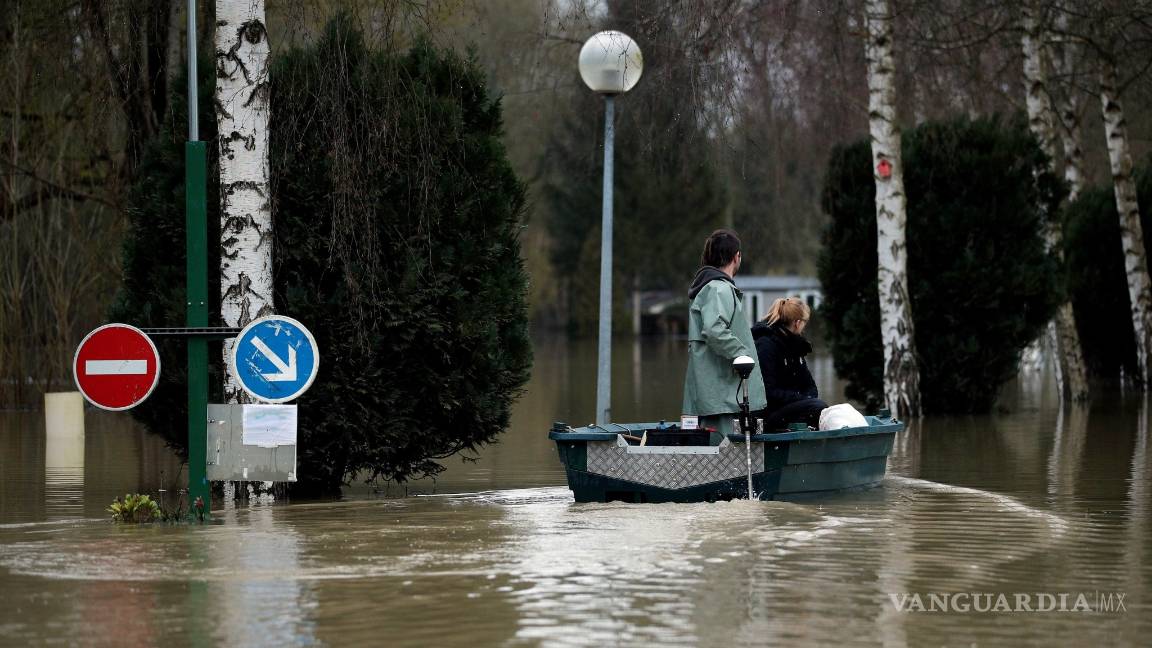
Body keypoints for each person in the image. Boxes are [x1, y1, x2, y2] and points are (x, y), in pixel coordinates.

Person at [682, 229, 766, 436]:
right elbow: (714, 329)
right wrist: (742, 355)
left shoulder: (708, 286)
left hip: (715, 395)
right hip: (721, 395)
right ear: (736, 256)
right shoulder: (718, 288)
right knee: (722, 452)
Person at [752, 297, 828, 430]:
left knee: (820, 407)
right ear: (797, 323)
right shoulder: (766, 345)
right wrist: (800, 398)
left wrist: (805, 398)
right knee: (818, 407)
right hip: (769, 412)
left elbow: (810, 385)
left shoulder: (796, 346)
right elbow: (768, 391)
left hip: (790, 404)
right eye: (805, 322)